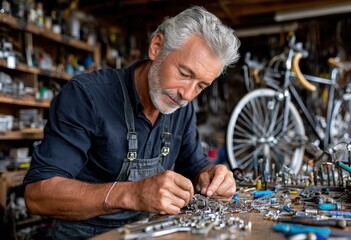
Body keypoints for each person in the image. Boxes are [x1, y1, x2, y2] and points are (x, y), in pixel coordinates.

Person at [23, 6, 241, 239]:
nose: (187, 95)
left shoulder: (181, 109)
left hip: (148, 231)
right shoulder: (86, 96)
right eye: (184, 74)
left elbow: (195, 168)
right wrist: (133, 194)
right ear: (157, 47)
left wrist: (212, 176)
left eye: (201, 86)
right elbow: (38, 195)